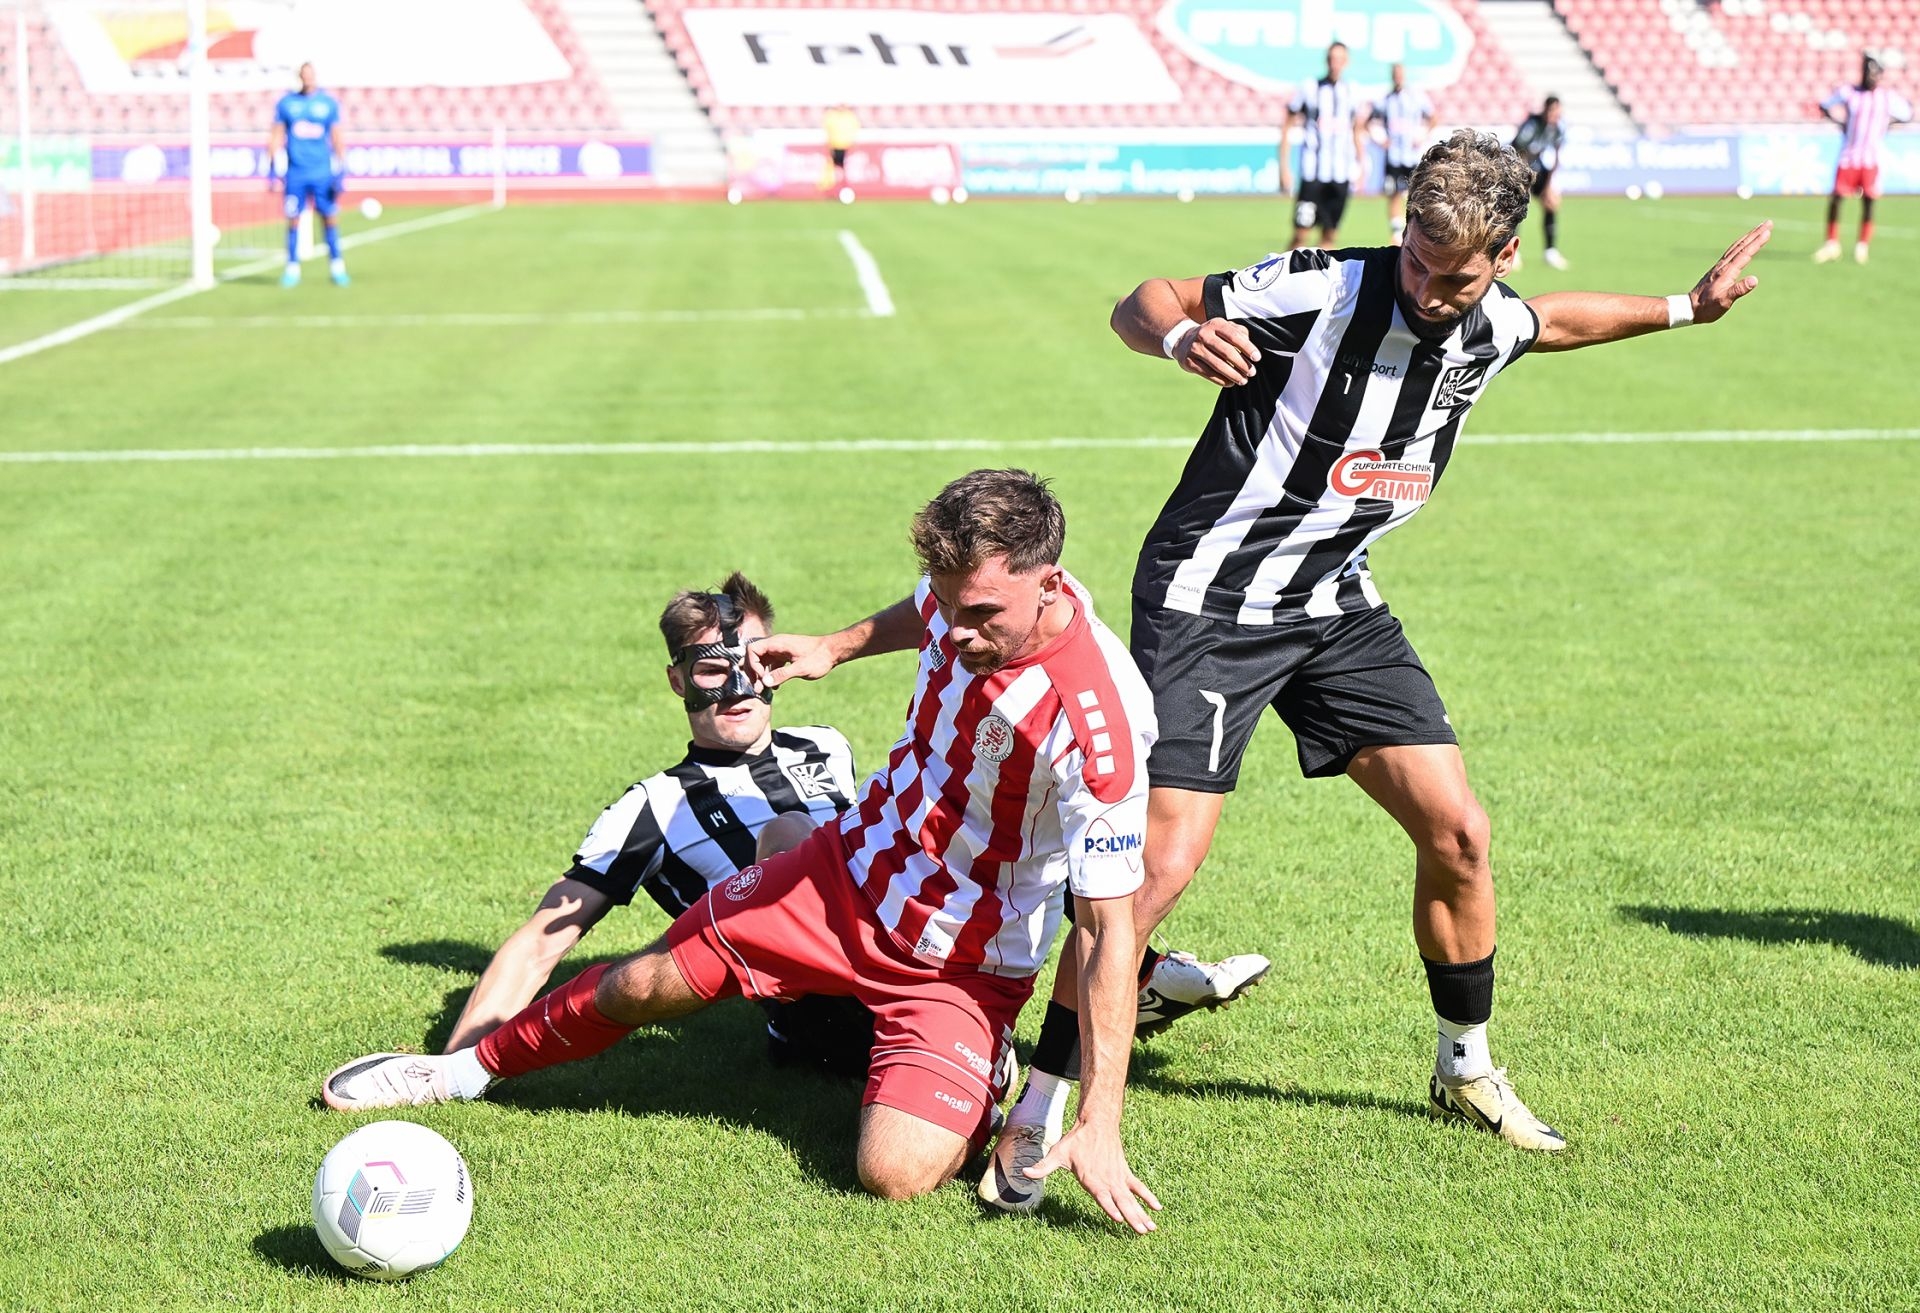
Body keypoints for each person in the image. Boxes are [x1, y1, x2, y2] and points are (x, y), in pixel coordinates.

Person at [1034, 130, 1766, 1173]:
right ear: (1403, 230)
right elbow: (1143, 299)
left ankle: (1464, 1067)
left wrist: (1687, 306)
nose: (1426, 289)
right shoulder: (1324, 287)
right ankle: (1042, 1098)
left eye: (1454, 277)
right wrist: (1181, 338)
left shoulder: (1493, 318)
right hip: (1211, 600)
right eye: (1417, 262)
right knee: (1157, 866)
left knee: (1458, 831)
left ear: (1503, 258)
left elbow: (1554, 321)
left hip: (1335, 604)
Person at [325, 470, 1164, 1232]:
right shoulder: (965, 596)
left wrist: (1100, 1118)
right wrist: (835, 645)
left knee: (895, 1174)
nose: (957, 630)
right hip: (846, 872)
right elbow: (923, 608)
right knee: (642, 981)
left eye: (979, 615)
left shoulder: (1100, 724)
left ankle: (986, 1076)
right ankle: (457, 1075)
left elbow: (1105, 932)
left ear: (1050, 582)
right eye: (948, 605)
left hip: (961, 959)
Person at [440, 572, 874, 1075]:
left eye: (753, 663)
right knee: (789, 833)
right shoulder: (653, 807)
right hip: (822, 1009)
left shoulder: (825, 746)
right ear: (678, 681)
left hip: (894, 943)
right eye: (712, 670)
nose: (737, 688)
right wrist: (451, 1068)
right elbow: (539, 944)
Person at [1815, 54, 1912, 265]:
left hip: (1871, 158)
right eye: (1868, 72)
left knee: (1869, 201)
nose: (1871, 77)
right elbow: (1824, 105)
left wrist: (1886, 126)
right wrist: (1840, 123)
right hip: (1849, 155)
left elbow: (1907, 113)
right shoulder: (1849, 92)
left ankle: (1862, 246)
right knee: (1837, 198)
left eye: (1875, 73)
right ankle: (1832, 244)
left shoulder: (1886, 97)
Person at [1280, 42, 1369, 250]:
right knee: (1300, 235)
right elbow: (1287, 126)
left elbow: (1356, 130)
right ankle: (1283, 270)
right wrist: (1284, 168)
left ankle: (1318, 272)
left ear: (1346, 62)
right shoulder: (1309, 88)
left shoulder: (1353, 91)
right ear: (1326, 60)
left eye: (1339, 59)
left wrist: (1362, 166)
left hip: (1340, 175)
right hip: (1313, 176)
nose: (1335, 64)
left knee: (1330, 236)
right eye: (1331, 59)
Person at [269, 62, 348, 288]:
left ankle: (337, 267)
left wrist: (341, 169)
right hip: (296, 173)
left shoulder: (327, 103)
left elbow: (337, 136)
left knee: (329, 217)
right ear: (300, 77)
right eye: (304, 75)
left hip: (322, 172)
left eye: (311, 74)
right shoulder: (287, 103)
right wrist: (272, 169)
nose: (308, 78)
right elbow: (276, 135)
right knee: (293, 219)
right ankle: (292, 268)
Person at [1370, 63, 1434, 246]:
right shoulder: (1385, 100)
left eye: (1400, 74)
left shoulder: (1416, 98)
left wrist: (1422, 135)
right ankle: (1396, 232)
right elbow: (1369, 121)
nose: (1398, 77)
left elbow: (1433, 117)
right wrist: (1380, 140)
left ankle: (1415, 229)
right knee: (1394, 193)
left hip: (1411, 156)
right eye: (1395, 74)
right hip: (1393, 157)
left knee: (1416, 193)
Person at [1510, 96, 1568, 271]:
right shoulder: (1532, 125)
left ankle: (1550, 252)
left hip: (1538, 167)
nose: (1554, 115)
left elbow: (1557, 156)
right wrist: (1522, 179)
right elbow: (1518, 149)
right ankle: (1512, 252)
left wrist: (1549, 185)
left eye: (1557, 112)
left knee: (1551, 203)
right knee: (1517, 207)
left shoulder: (1557, 128)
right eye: (1551, 111)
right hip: (1519, 166)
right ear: (1545, 110)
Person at [822, 103, 861, 197]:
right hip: (835, 146)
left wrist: (853, 144)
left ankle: (844, 188)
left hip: (847, 147)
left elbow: (855, 130)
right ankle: (834, 189)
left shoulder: (850, 117)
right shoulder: (832, 116)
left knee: (844, 170)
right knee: (835, 170)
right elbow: (827, 130)